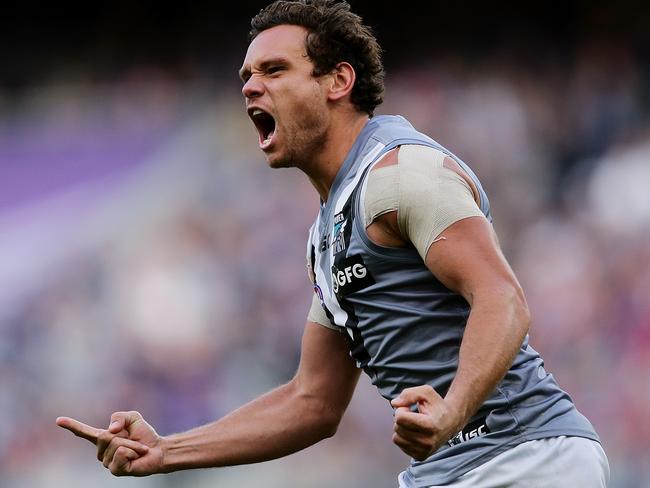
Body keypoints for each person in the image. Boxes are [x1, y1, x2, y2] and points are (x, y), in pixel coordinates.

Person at [56, 1, 610, 486]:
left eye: (275, 69)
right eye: (247, 75)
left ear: (338, 81)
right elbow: (312, 401)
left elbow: (502, 297)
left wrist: (453, 411)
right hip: (451, 471)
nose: (250, 86)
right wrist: (165, 451)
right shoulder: (327, 233)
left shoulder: (400, 172)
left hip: (524, 458)